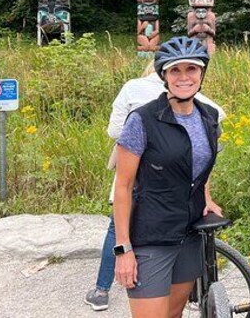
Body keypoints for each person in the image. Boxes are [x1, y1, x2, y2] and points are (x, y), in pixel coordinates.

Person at [85, 60, 225, 312]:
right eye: (175, 70)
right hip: (150, 236)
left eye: (191, 69)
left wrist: (206, 195)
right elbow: (124, 186)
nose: (184, 77)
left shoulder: (208, 116)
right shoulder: (142, 119)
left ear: (201, 73)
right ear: (164, 75)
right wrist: (123, 249)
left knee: (174, 313)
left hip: (189, 234)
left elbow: (200, 161)